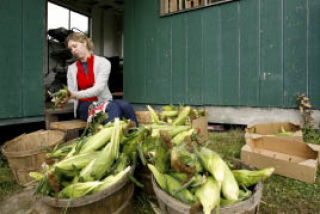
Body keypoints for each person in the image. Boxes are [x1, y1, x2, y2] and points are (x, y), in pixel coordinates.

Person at [56, 32, 138, 126]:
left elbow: (98, 88)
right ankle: (110, 139)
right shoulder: (72, 69)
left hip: (104, 101)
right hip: (85, 106)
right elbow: (71, 94)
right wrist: (63, 98)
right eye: (71, 49)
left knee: (126, 105)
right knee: (112, 107)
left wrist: (73, 95)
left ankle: (136, 135)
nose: (73, 50)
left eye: (75, 46)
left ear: (84, 42)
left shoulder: (103, 63)